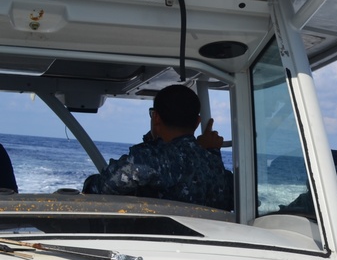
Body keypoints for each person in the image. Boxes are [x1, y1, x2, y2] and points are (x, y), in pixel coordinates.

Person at [83, 84, 233, 210]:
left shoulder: (150, 158)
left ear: (156, 117)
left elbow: (100, 188)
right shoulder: (217, 167)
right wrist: (211, 152)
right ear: (197, 122)